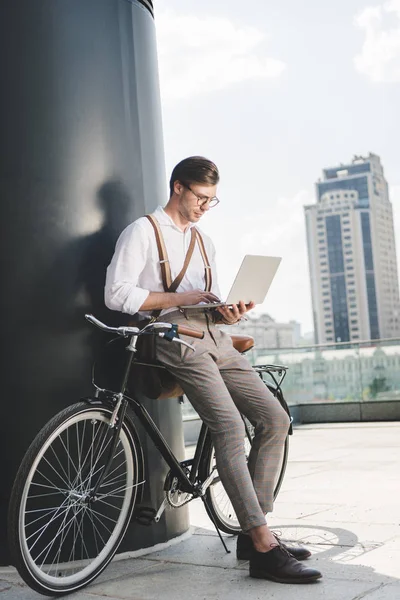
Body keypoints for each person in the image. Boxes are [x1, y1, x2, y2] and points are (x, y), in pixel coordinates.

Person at [105, 156, 322, 584]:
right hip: (170, 337)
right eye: (200, 197)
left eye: (212, 200)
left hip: (212, 336)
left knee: (275, 419)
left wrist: (228, 312)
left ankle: (249, 530)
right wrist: (176, 301)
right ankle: (263, 544)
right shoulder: (143, 232)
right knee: (228, 426)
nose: (205, 206)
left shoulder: (205, 241)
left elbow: (210, 302)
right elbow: (116, 294)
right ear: (178, 187)